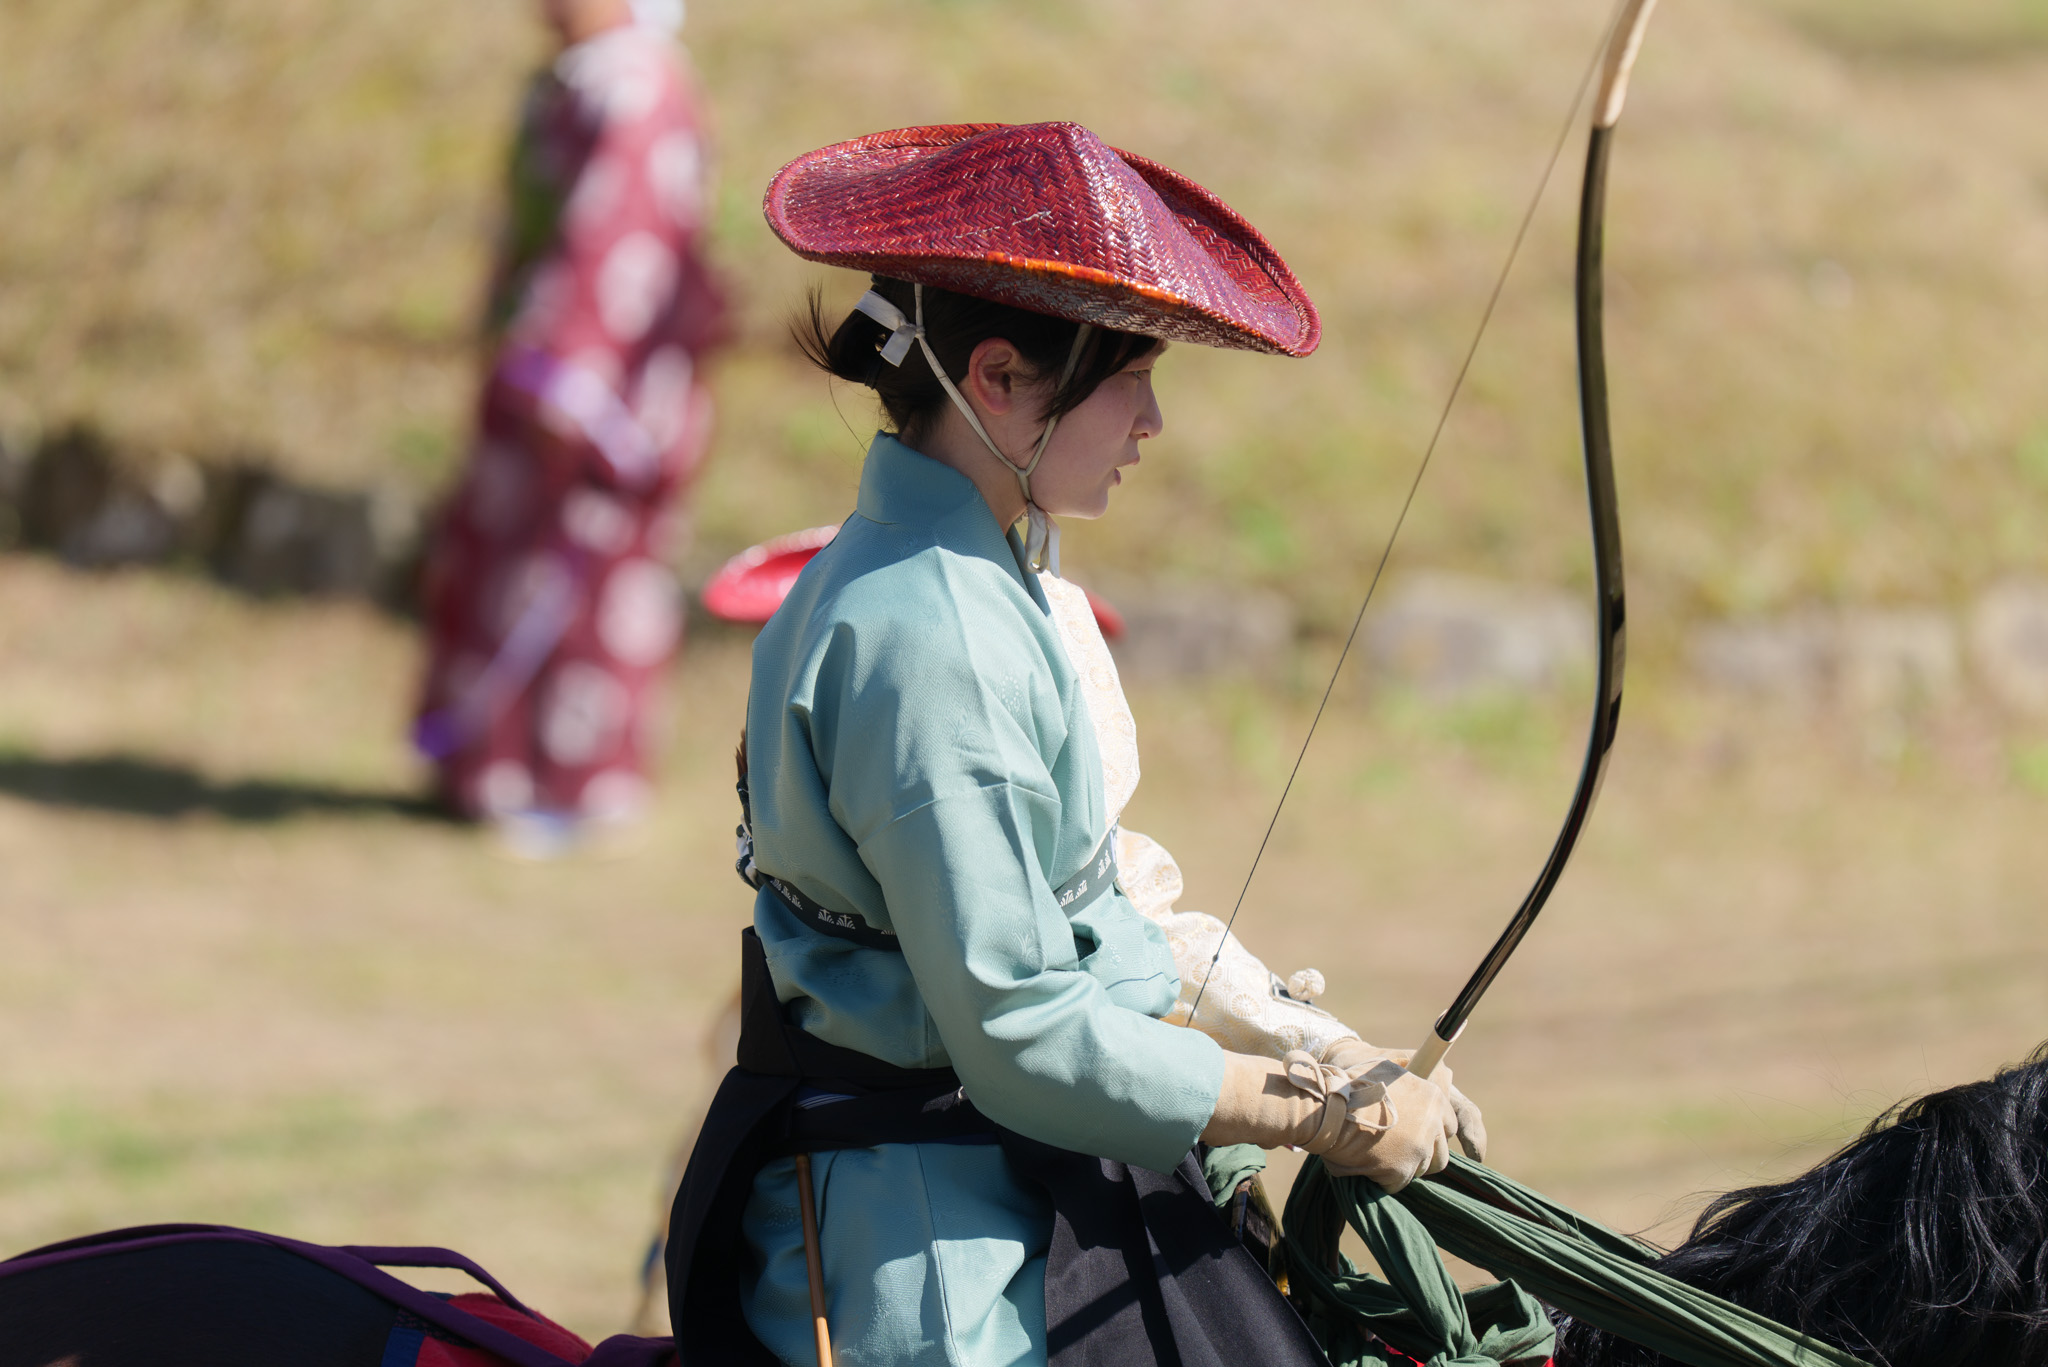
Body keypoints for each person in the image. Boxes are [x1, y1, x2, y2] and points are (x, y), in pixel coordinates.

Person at [665, 121, 1486, 1367]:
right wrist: (1313, 1111)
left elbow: (1091, 918)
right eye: (1127, 375)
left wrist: (1311, 1043)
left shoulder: (977, 579)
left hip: (1010, 1177)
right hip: (941, 1267)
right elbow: (1022, 1032)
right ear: (996, 379)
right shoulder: (932, 634)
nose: (1151, 416)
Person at [414, 0, 725, 852]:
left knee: (575, 575)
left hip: (597, 384)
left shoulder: (634, 89)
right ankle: (486, 764)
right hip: (540, 369)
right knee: (510, 565)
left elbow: (618, 242)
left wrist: (571, 375)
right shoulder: (579, 82)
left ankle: (563, 781)